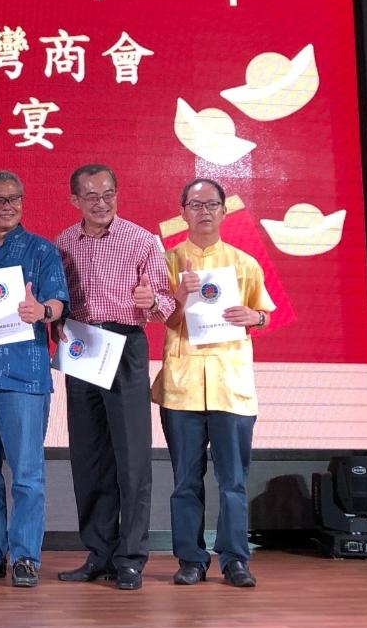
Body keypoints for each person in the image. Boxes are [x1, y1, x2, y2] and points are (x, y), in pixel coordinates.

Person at [54, 164, 175, 591]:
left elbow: (166, 305)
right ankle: (98, 552)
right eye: (91, 196)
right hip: (83, 344)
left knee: (132, 457)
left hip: (125, 344)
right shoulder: (64, 243)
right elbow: (58, 299)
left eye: (108, 194)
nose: (101, 203)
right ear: (75, 201)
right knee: (89, 456)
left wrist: (150, 299)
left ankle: (130, 557)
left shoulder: (142, 240)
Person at [154, 178, 274, 589]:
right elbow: (165, 320)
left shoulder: (244, 263)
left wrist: (253, 318)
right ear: (183, 212)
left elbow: (264, 315)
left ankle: (235, 559)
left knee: (233, 480)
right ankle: (190, 558)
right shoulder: (167, 261)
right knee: (185, 479)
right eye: (195, 204)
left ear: (224, 211)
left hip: (230, 385)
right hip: (183, 385)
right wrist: (183, 298)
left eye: (212, 204)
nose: (204, 211)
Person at [0, 171, 69, 589]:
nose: (7, 206)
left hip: (24, 376)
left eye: (14, 199)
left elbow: (60, 302)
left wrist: (41, 311)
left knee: (26, 474)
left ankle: (25, 557)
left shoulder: (43, 251)